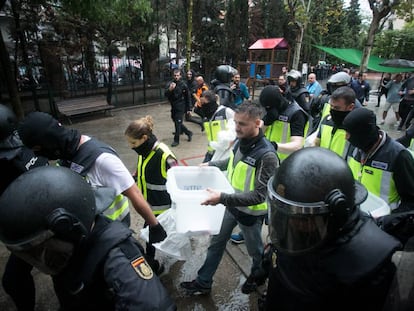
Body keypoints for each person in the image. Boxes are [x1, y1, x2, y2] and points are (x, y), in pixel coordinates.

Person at [0, 166, 176, 310]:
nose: (41, 259)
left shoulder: (118, 259)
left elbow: (154, 305)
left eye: (42, 249)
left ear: (68, 228)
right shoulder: (72, 246)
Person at [264, 147, 401, 311]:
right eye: (287, 216)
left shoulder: (369, 264)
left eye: (302, 219)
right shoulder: (290, 220)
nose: (292, 224)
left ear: (337, 212)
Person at [17, 112, 167, 247]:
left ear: (49, 142)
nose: (38, 155)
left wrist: (155, 226)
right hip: (88, 232)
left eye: (37, 149)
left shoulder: (101, 159)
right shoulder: (66, 157)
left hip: (113, 232)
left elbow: (134, 193)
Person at [180, 102, 278, 295]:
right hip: (231, 206)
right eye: (236, 122)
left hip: (250, 214)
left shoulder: (267, 156)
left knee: (255, 252)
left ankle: (257, 277)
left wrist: (222, 198)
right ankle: (203, 282)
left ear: (258, 123)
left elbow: (260, 195)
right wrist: (212, 164)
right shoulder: (242, 140)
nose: (237, 127)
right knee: (216, 243)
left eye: (242, 124)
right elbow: (233, 160)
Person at [0, 105, 49, 311]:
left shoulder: (10, 161)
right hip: (39, 215)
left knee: (13, 280)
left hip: (41, 224)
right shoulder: (20, 144)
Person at [124, 115, 179, 274]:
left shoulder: (164, 154)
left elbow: (177, 178)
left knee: (150, 236)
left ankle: (150, 263)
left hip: (162, 208)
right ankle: (152, 259)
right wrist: (134, 177)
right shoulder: (144, 151)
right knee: (158, 235)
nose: (131, 147)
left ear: (144, 138)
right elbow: (143, 170)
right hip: (150, 204)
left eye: (133, 143)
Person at [343, 108, 414, 212]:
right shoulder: (353, 147)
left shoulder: (398, 156)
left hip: (384, 223)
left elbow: (410, 201)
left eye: (350, 133)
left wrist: (390, 220)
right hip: (357, 219)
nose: (346, 137)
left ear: (363, 133)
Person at [259, 85, 309, 161]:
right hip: (269, 158)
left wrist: (274, 146)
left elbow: (297, 145)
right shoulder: (273, 111)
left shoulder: (296, 114)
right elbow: (259, 132)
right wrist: (266, 122)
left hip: (287, 162)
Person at [313, 86, 358, 158]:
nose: (332, 110)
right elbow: (316, 143)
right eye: (331, 106)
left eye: (337, 108)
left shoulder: (356, 128)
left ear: (350, 107)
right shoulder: (326, 121)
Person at [200, 90, 235, 162]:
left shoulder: (226, 111)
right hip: (211, 151)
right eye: (201, 103)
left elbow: (238, 127)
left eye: (204, 103)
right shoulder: (207, 116)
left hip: (223, 152)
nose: (203, 106)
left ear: (211, 102)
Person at [164, 69, 193, 147]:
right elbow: (166, 94)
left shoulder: (183, 85)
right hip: (174, 106)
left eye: (178, 75)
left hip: (181, 107)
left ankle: (176, 140)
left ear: (180, 76)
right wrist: (170, 89)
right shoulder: (170, 84)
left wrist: (189, 109)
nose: (176, 77)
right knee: (176, 121)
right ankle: (188, 132)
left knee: (177, 123)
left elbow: (188, 97)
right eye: (175, 75)